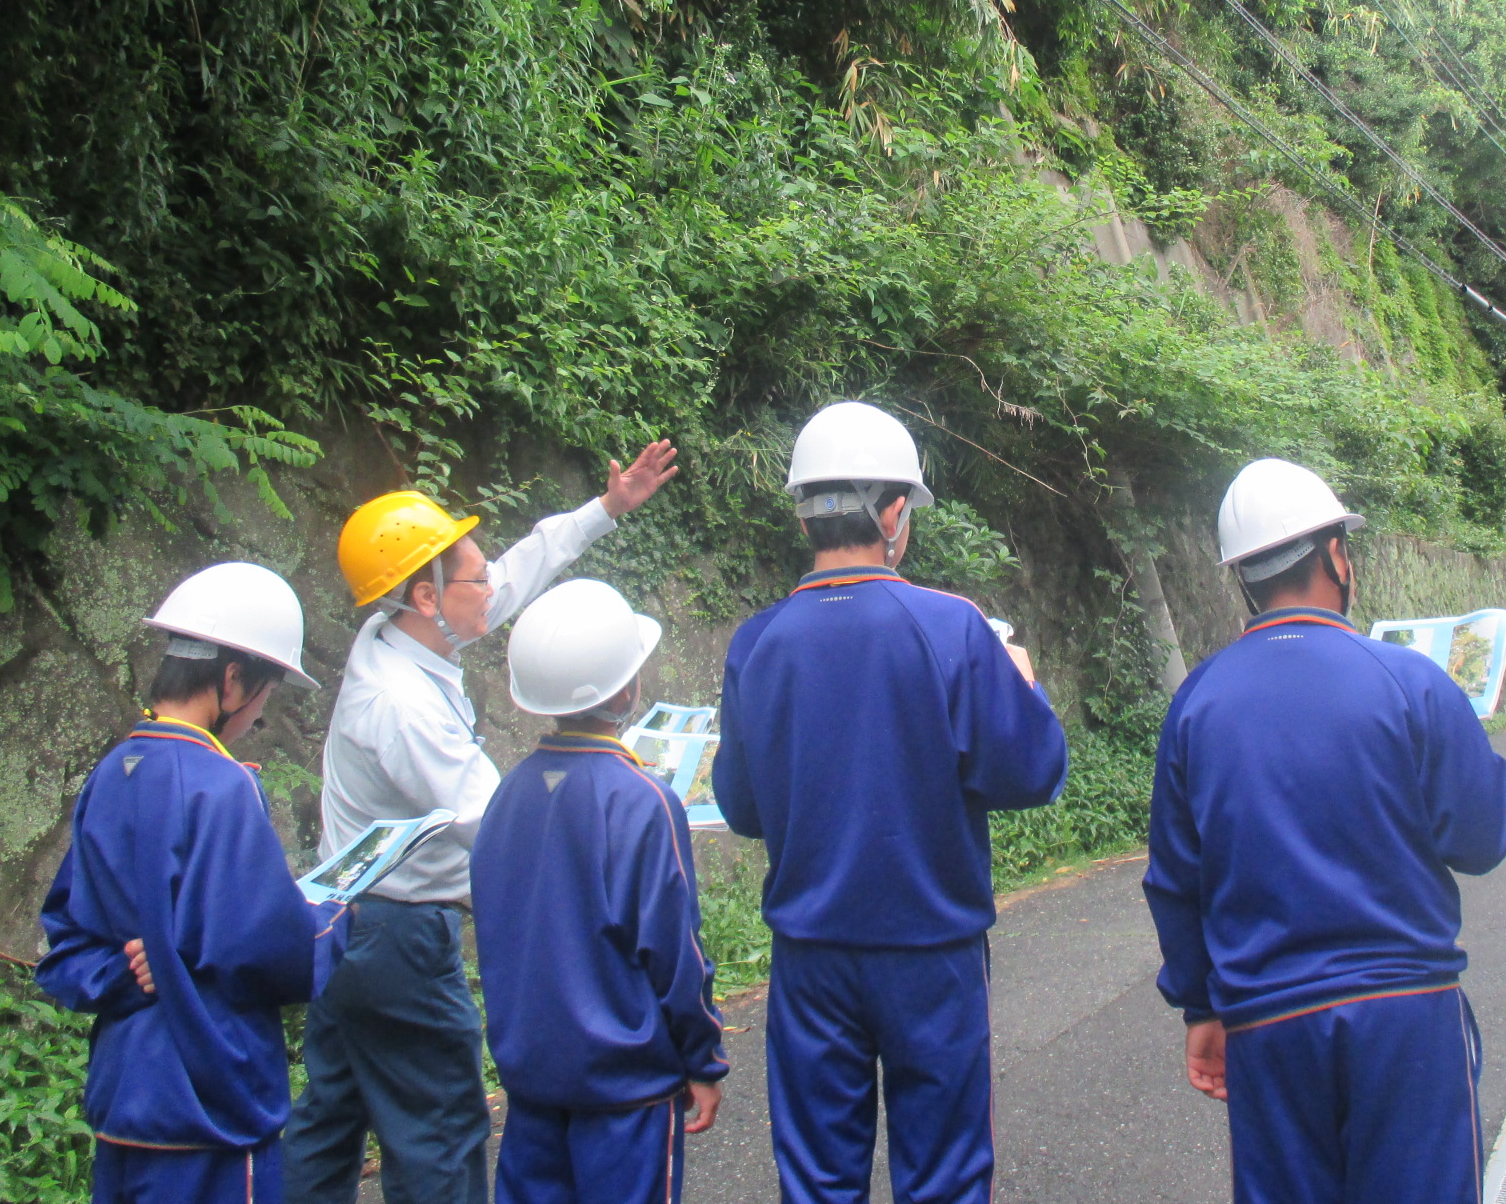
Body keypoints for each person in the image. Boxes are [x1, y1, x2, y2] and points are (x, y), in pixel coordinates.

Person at [284, 441, 680, 1204]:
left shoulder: (401, 632)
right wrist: (630, 809)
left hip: (352, 927)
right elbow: (503, 822)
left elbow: (522, 568)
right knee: (442, 1127)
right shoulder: (400, 706)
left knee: (331, 1118)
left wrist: (609, 508)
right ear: (428, 596)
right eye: (473, 573)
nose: (491, 582)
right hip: (398, 937)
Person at [1144, 458, 1506, 1204]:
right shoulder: (1410, 681)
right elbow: (1483, 836)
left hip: (1267, 1021)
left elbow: (1175, 879)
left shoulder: (1197, 702)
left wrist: (1201, 1007)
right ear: (1334, 555)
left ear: (1243, 577)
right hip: (1406, 1011)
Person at [712, 401, 1068, 1204]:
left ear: (805, 512)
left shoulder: (755, 642)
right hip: (930, 950)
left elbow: (741, 807)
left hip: (809, 953)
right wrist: (1021, 686)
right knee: (941, 1174)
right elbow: (1032, 773)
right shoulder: (952, 627)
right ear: (895, 514)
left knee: (817, 1179)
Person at [38, 562, 346, 1204]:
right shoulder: (223, 784)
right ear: (233, 680)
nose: (258, 717)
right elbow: (270, 952)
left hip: (124, 1095)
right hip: (208, 1099)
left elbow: (66, 944)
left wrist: (132, 969)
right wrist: (334, 916)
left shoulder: (112, 771)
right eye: (265, 696)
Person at [471, 578, 728, 1204]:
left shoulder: (505, 796)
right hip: (628, 1093)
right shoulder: (644, 801)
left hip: (532, 1085)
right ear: (627, 688)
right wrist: (704, 1058)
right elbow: (675, 953)